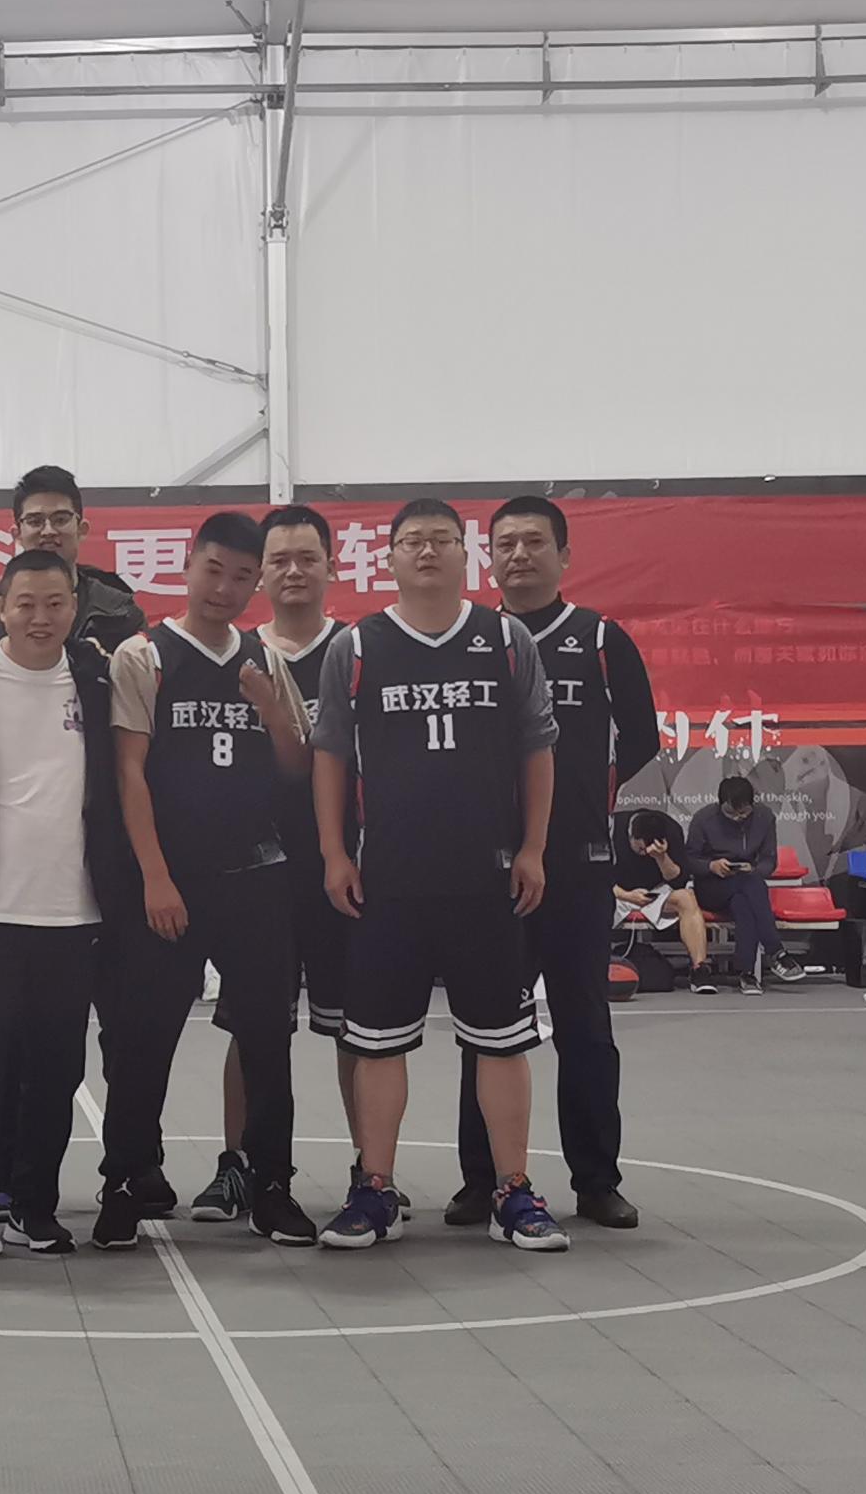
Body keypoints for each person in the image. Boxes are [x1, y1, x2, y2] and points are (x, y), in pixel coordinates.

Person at [310, 499, 569, 1254]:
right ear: (387, 557)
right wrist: (334, 853)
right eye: (411, 542)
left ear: (465, 553)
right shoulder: (357, 646)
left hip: (487, 879)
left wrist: (533, 848)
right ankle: (375, 1189)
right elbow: (330, 754)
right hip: (388, 880)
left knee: (502, 1041)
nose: (426, 552)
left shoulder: (506, 640)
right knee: (377, 1043)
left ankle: (513, 1190)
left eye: (441, 540)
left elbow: (538, 748)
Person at [92, 512, 315, 1250]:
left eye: (241, 577)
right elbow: (129, 773)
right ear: (188, 566)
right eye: (213, 570)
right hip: (171, 881)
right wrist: (155, 877)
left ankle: (271, 1182)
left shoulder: (266, 658)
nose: (225, 588)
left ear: (257, 585)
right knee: (142, 1038)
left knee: (266, 1039)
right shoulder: (144, 655)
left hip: (256, 875)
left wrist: (270, 709)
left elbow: (296, 768)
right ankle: (125, 1180)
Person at [450, 497, 660, 1232]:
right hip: (487, 866)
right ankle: (482, 1181)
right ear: (489, 558)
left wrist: (583, 796)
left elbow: (640, 736)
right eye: (504, 543)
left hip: (577, 862)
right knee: (487, 1030)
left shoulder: (599, 639)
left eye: (534, 542)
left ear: (564, 555)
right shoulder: (471, 640)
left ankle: (597, 1182)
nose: (518, 555)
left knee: (584, 1028)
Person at [0, 551, 131, 1267]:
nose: (41, 618)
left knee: (55, 1068)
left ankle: (34, 1209)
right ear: (0, 605)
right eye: (26, 604)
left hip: (75, 909)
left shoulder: (98, 681)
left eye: (55, 603)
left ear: (75, 605)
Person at [196, 503, 382, 1222]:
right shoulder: (234, 653)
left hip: (344, 874)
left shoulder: (360, 651)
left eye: (308, 558)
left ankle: (371, 1172)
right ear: (259, 574)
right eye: (279, 560)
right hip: (255, 877)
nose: (294, 571)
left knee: (354, 1029)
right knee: (252, 1027)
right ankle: (237, 1166)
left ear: (333, 566)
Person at [0, 464, 148, 657]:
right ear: (17, 534)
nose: (48, 531)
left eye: (60, 519)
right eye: (35, 521)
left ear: (82, 529)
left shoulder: (120, 613)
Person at [687, 777, 808, 994]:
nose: (737, 817)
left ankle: (747, 973)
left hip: (746, 883)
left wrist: (754, 870)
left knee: (743, 903)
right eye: (731, 812)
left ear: (752, 804)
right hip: (711, 887)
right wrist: (711, 866)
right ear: (720, 804)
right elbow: (689, 860)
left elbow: (769, 860)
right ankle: (776, 951)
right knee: (751, 886)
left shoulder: (764, 817)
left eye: (743, 812)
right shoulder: (703, 819)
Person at [616, 808, 713, 988]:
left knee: (686, 898)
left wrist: (661, 857)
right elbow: (597, 878)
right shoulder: (612, 828)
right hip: (618, 892)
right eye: (641, 849)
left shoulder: (670, 830)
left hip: (654, 892)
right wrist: (627, 895)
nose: (645, 853)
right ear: (631, 836)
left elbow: (679, 881)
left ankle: (699, 969)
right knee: (590, 897)